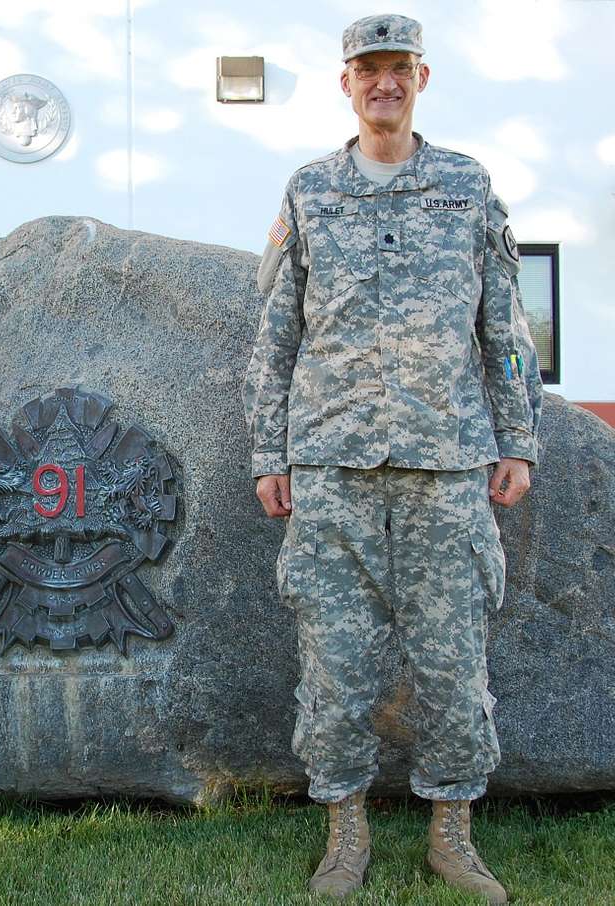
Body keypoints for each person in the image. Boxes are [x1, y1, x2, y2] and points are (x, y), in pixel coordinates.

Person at [242, 14, 542, 903]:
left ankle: (453, 834)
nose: (383, 83)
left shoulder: (465, 186)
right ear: (345, 83)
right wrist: (270, 452)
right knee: (335, 665)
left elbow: (506, 329)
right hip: (332, 467)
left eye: (398, 69)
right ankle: (346, 835)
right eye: (367, 70)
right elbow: (276, 335)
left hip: (447, 467)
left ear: (421, 78)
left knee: (454, 665)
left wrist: (518, 438)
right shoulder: (310, 192)